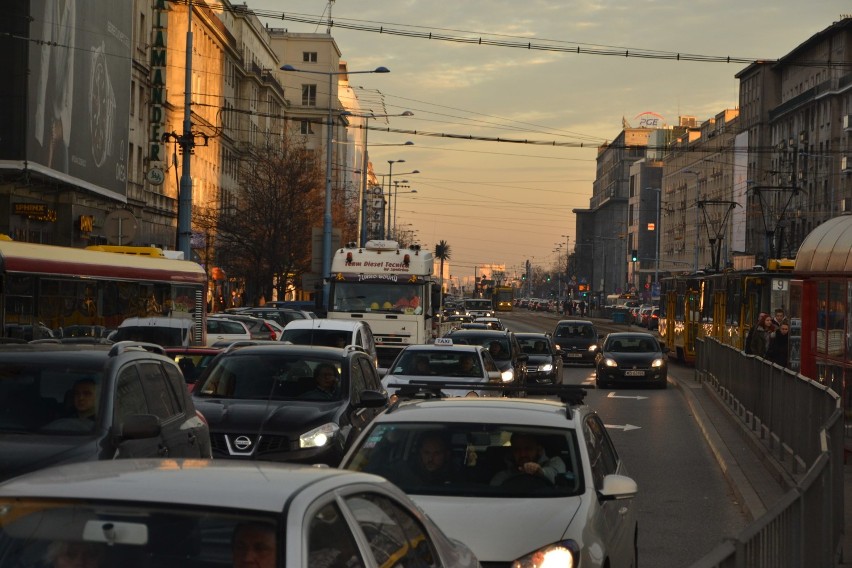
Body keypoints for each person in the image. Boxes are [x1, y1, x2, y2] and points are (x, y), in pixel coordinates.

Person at [490, 432, 566, 486]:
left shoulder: (555, 462)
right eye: (517, 450)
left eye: (528, 449)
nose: (522, 454)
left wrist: (540, 472)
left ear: (538, 449)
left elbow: (556, 475)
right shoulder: (503, 476)